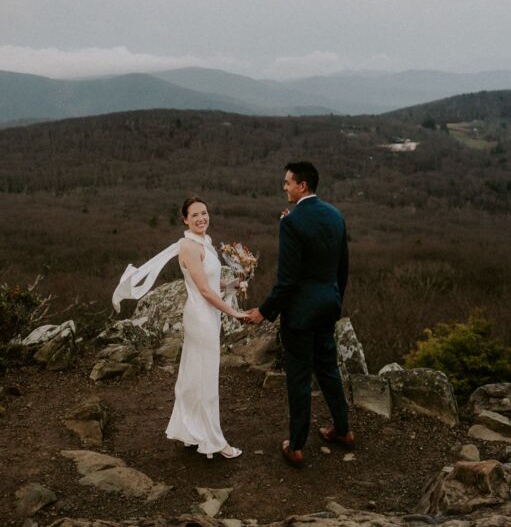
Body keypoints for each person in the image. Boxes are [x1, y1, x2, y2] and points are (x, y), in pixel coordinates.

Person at [113, 196, 247, 459]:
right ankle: (215, 441)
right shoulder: (188, 247)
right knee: (206, 379)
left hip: (208, 314)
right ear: (185, 220)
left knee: (196, 375)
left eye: (204, 213)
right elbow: (204, 291)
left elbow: (211, 282)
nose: (201, 218)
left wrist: (233, 284)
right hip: (201, 317)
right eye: (194, 215)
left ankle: (191, 430)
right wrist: (234, 312)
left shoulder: (205, 242)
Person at [246, 161, 353, 468]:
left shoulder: (291, 222)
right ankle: (343, 430)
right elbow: (342, 267)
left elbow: (287, 281)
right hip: (328, 305)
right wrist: (334, 299)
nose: (284, 187)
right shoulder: (335, 215)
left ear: (302, 185)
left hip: (301, 313)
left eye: (288, 182)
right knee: (328, 368)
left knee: (299, 378)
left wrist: (264, 312)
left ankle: (295, 446)